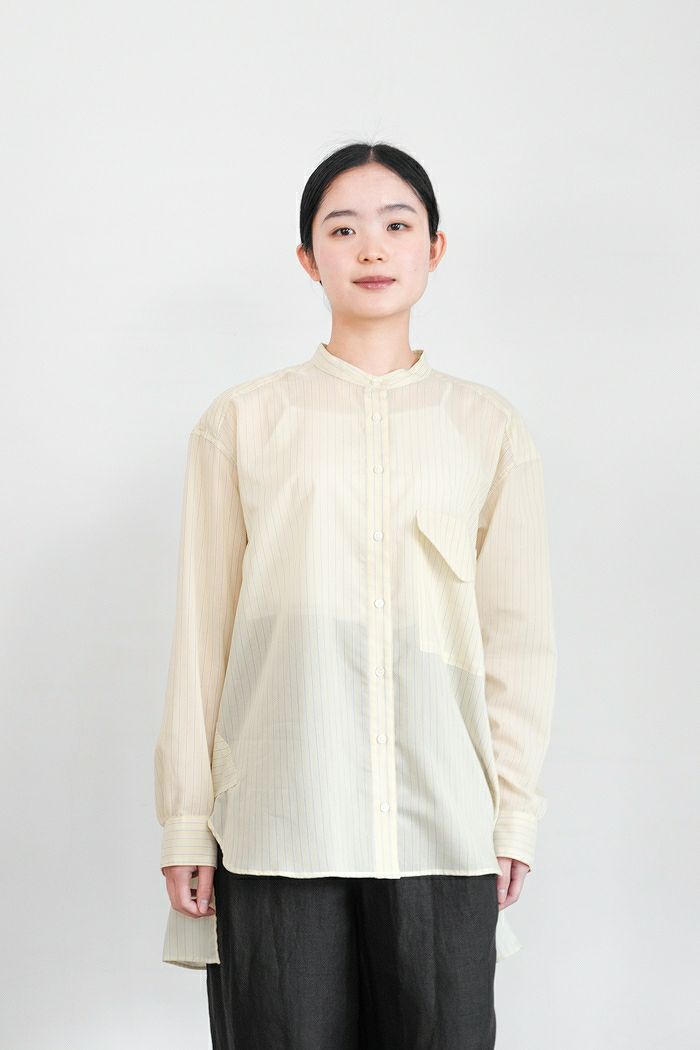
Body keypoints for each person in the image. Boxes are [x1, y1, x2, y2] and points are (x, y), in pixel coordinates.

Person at [153, 141, 558, 1049]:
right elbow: (201, 636)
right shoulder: (243, 423)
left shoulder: (488, 430)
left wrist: (513, 814)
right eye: (342, 229)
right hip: (278, 822)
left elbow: (518, 639)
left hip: (443, 823)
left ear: (434, 248)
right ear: (309, 258)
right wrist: (185, 821)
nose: (371, 248)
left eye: (396, 225)